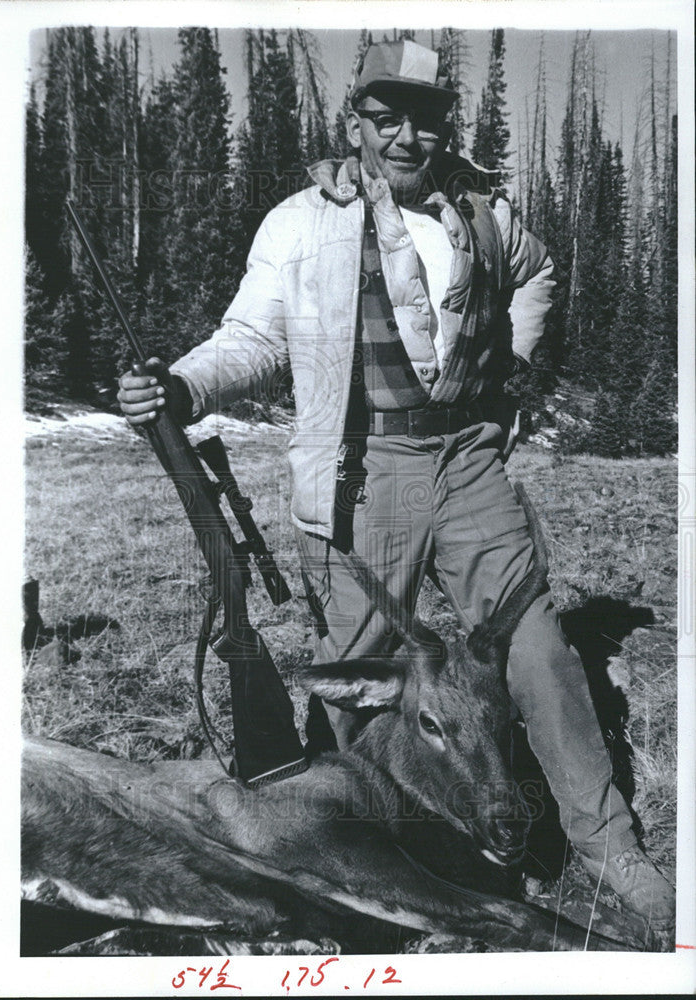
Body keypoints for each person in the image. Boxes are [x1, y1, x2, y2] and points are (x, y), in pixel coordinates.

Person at [118, 39, 674, 938]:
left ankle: (609, 847)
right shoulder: (303, 221)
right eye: (385, 118)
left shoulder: (485, 217)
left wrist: (516, 363)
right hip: (363, 470)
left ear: (441, 125)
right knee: (356, 676)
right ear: (357, 124)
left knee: (538, 650)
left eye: (423, 117)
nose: (406, 136)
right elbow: (253, 337)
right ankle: (354, 849)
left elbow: (536, 274)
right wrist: (180, 385)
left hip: (469, 464)